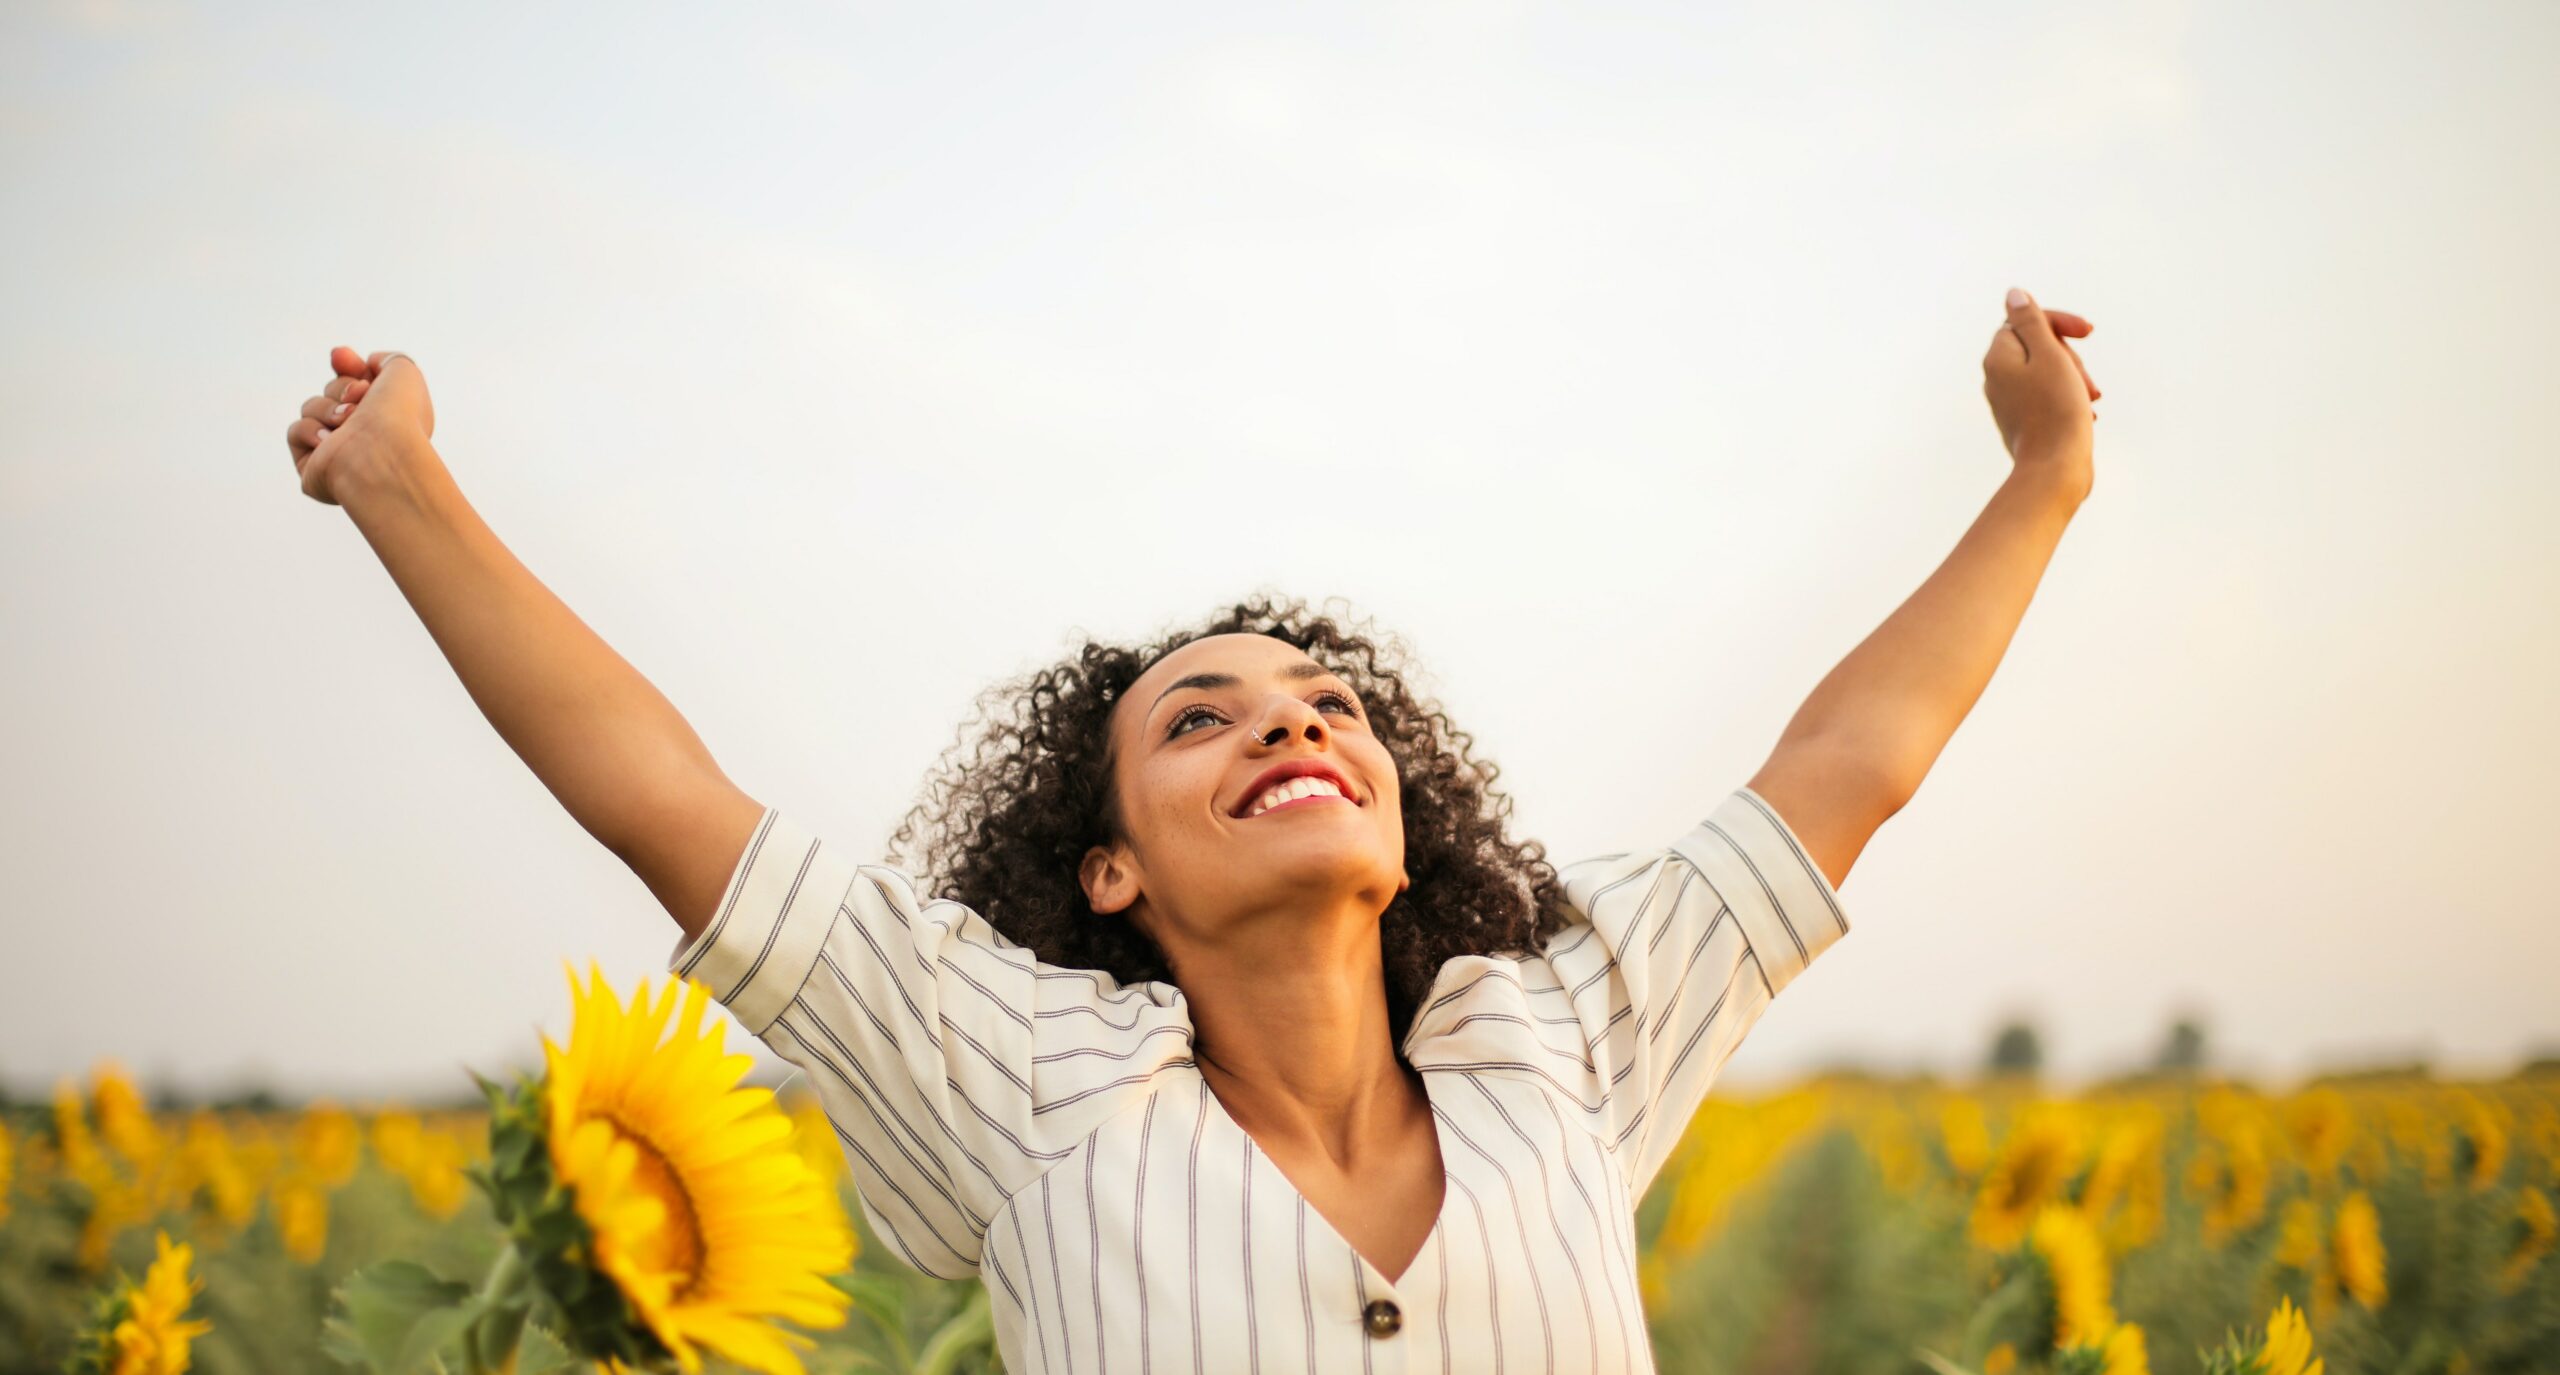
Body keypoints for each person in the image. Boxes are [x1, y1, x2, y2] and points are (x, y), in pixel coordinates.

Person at [279, 287, 2099, 1372]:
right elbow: (668, 802)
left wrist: (2042, 480)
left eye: (1326, 706)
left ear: (1400, 818)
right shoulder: (1023, 1086)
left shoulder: (1560, 1036)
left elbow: (1848, 759)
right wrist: (401, 483)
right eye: (1199, 719)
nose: (1290, 722)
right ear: (1111, 869)